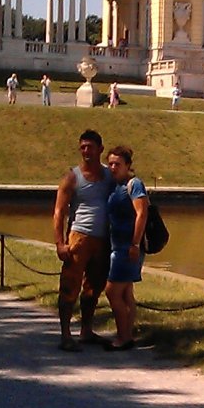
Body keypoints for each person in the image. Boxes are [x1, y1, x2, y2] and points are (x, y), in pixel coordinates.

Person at [52, 130, 115, 352]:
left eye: (90, 147)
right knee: (70, 286)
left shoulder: (109, 176)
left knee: (93, 288)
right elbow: (59, 211)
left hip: (102, 239)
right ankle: (65, 334)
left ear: (101, 149)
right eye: (83, 147)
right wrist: (60, 243)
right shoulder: (72, 177)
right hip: (78, 237)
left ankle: (86, 330)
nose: (86, 151)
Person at [102, 145, 149, 351]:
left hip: (128, 248)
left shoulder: (134, 184)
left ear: (128, 165)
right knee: (126, 294)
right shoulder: (114, 185)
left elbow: (142, 213)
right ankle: (127, 335)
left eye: (117, 164)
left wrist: (135, 243)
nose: (113, 167)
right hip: (116, 245)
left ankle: (122, 337)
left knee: (112, 291)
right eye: (110, 163)